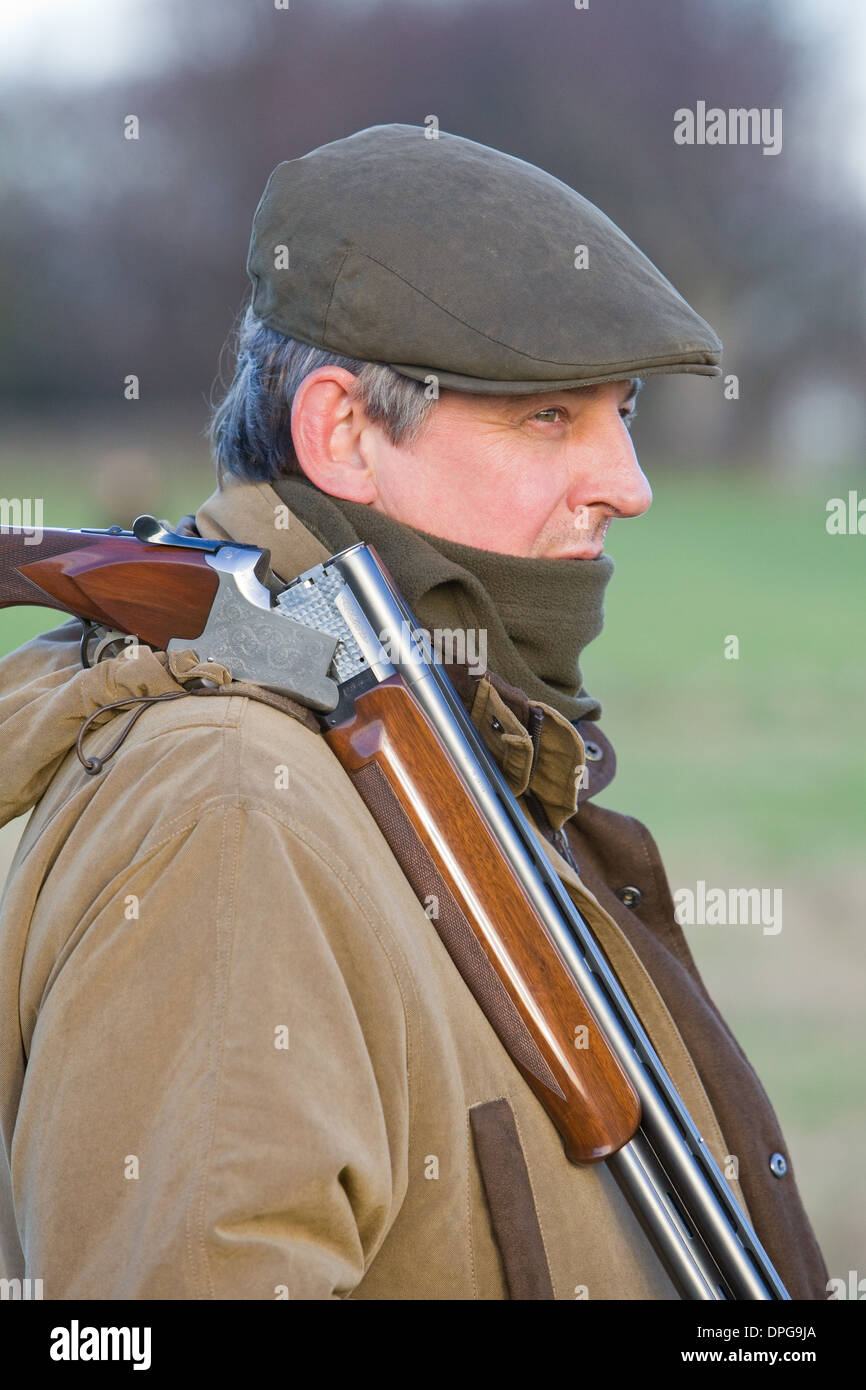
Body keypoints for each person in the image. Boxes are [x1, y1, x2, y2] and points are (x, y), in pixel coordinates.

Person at [0, 124, 828, 1300]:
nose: (630, 487)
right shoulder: (236, 816)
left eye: (622, 411)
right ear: (341, 432)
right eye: (547, 417)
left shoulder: (431, 728)